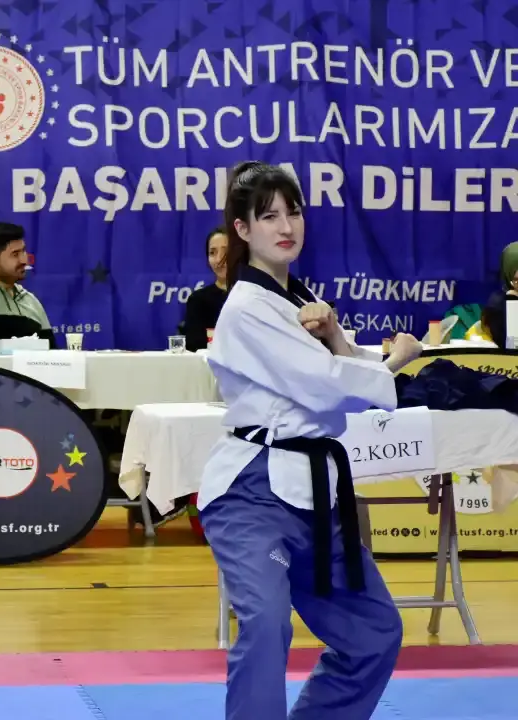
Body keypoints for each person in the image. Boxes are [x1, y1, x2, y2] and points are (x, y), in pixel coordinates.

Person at [198, 161, 423, 719]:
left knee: (373, 632)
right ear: (242, 229)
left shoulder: (297, 299)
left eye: (293, 212)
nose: (286, 226)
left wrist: (337, 334)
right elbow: (326, 386)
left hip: (315, 493)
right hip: (252, 494)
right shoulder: (246, 308)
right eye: (268, 216)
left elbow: (343, 366)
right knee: (265, 624)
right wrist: (395, 361)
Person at [182, 227, 230, 351]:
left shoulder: (254, 296)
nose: (219, 260)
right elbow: (194, 348)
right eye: (212, 253)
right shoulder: (198, 300)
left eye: (226, 251)